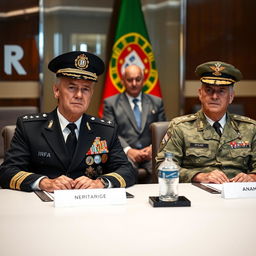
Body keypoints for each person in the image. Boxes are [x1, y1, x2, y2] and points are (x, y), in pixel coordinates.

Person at [0, 51, 137, 192]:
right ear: (56, 91)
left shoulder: (105, 130)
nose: (79, 95)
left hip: (90, 207)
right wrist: (43, 182)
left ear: (91, 94)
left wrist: (100, 183)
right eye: (72, 88)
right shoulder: (30, 128)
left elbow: (128, 170)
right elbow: (7, 172)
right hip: (43, 207)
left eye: (85, 89)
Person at [156, 61, 256, 183]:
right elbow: (161, 166)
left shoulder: (250, 128)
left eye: (221, 91)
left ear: (231, 96)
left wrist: (251, 177)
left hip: (237, 195)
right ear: (200, 94)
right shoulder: (180, 127)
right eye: (209, 90)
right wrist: (199, 176)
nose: (214, 96)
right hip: (197, 194)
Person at [103, 64, 166, 182]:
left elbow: (162, 131)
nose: (134, 83)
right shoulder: (110, 103)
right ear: (123, 81)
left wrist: (152, 148)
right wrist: (128, 150)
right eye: (130, 80)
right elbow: (110, 131)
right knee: (125, 174)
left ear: (143, 80)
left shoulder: (156, 102)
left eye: (138, 79)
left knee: (165, 170)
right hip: (124, 154)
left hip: (151, 154)